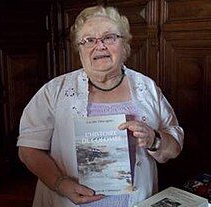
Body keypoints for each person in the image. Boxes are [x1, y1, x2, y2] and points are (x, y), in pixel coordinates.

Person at [17, 5, 184, 207]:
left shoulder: (146, 88)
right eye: (89, 40)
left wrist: (154, 139)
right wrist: (59, 183)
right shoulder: (55, 90)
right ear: (79, 49)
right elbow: (28, 149)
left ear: (125, 45)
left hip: (136, 201)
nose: (100, 46)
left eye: (109, 37)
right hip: (67, 201)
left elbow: (173, 146)